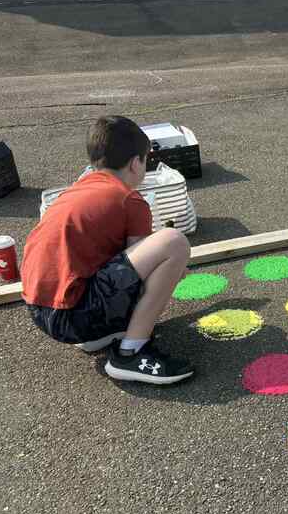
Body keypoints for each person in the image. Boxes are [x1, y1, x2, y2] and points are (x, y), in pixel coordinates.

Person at [22, 116, 194, 385]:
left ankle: (97, 337)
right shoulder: (129, 199)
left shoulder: (77, 190)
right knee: (174, 242)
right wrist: (174, 270)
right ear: (136, 163)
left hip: (40, 311)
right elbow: (141, 274)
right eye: (146, 161)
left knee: (153, 255)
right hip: (73, 315)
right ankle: (130, 353)